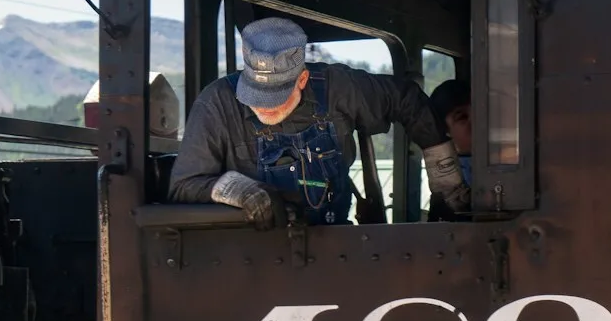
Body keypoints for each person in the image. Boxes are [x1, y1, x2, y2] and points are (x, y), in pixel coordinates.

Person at [171, 16, 469, 227]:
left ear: (302, 79)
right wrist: (241, 191)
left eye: (275, 96)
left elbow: (407, 99)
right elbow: (183, 186)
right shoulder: (217, 103)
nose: (263, 106)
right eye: (254, 94)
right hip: (252, 258)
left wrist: (446, 181)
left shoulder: (338, 87)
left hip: (334, 245)